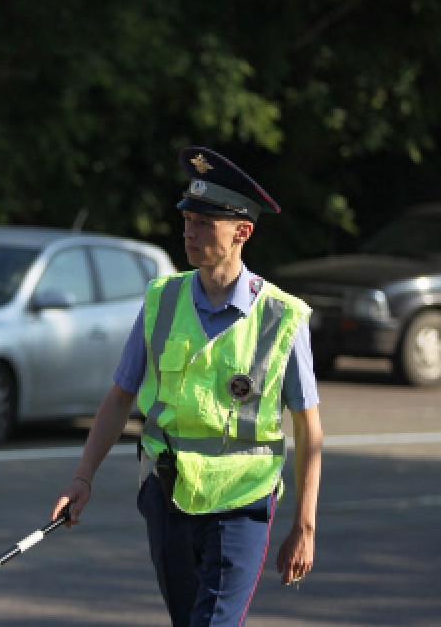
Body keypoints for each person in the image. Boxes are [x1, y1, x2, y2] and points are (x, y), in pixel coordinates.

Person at [50, 146, 323, 627]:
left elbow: (308, 428)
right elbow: (120, 397)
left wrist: (304, 526)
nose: (189, 232)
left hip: (242, 503)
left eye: (204, 224)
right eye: (188, 220)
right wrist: (82, 477)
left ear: (242, 232)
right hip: (167, 493)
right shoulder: (162, 299)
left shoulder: (283, 316)